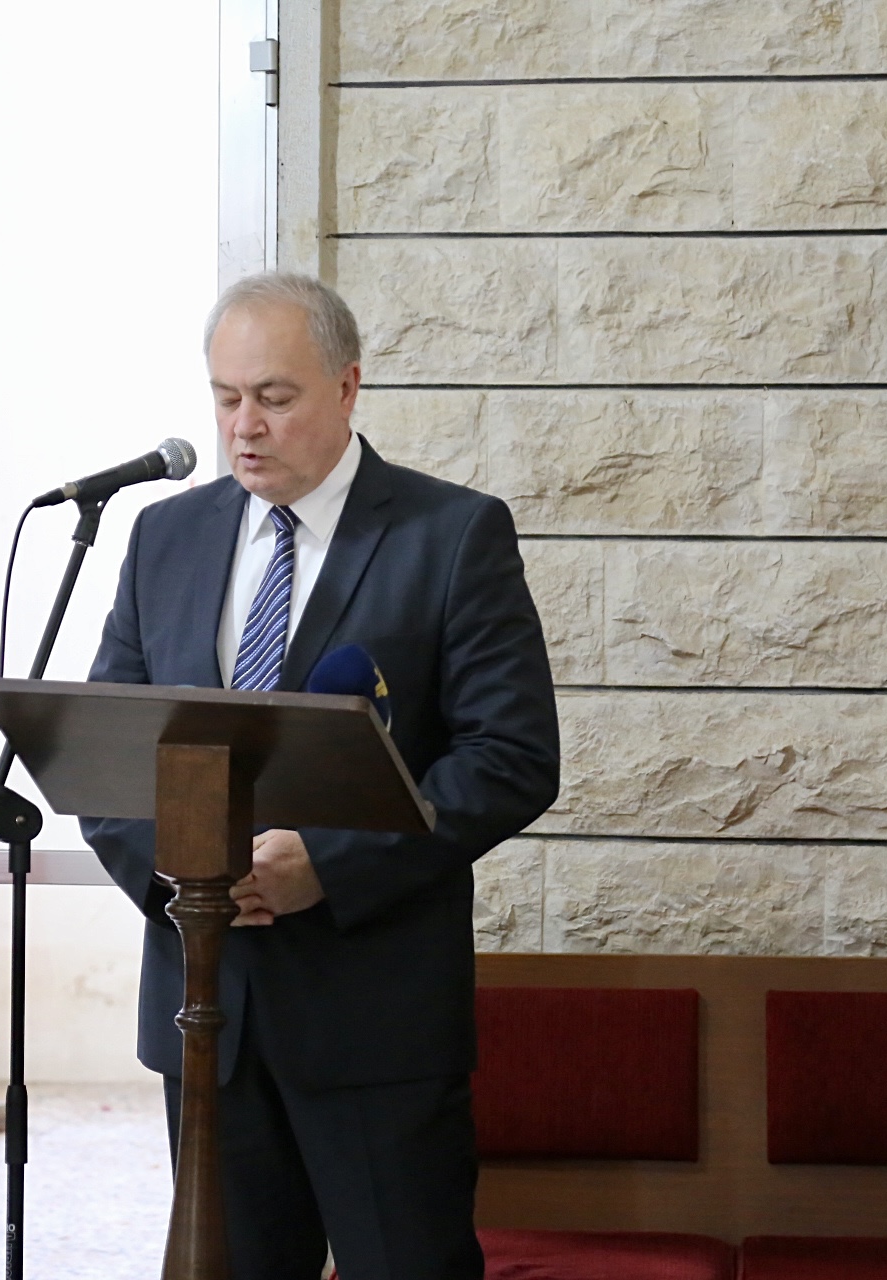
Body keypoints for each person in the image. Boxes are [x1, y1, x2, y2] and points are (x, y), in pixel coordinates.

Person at [82, 272, 559, 1279]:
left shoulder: (450, 535)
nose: (243, 426)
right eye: (225, 397)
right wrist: (187, 875)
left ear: (347, 387)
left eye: (274, 396)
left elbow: (510, 757)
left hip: (374, 1024)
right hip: (205, 1013)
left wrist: (328, 865)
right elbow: (106, 752)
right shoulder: (165, 536)